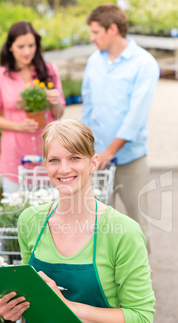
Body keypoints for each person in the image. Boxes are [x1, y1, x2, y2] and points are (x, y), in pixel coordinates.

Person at [0, 119, 155, 323]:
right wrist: (14, 308)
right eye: (54, 159)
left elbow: (141, 318)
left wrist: (67, 307)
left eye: (74, 158)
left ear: (93, 163)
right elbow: (34, 299)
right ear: (45, 165)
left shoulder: (122, 232)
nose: (64, 168)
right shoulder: (31, 222)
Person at [81, 3, 160, 251]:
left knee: (136, 227)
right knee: (97, 227)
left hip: (130, 160)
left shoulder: (144, 63)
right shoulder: (94, 61)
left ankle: (141, 287)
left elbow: (135, 117)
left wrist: (110, 151)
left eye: (96, 32)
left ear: (112, 29)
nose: (92, 38)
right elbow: (89, 108)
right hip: (96, 159)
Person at [0, 21, 65, 194]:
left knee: (50, 212)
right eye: (21, 46)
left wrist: (54, 102)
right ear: (10, 47)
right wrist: (18, 126)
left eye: (31, 45)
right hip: (15, 156)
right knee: (15, 213)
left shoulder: (49, 71)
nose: (27, 51)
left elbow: (58, 114)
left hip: (47, 152)